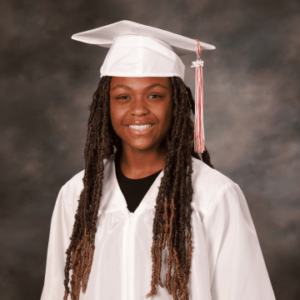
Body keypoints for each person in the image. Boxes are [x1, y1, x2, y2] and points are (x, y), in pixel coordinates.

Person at [40, 20, 276, 300]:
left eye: (154, 95)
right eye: (123, 96)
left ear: (175, 103)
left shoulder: (214, 195)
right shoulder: (77, 194)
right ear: (106, 106)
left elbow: (246, 292)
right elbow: (57, 292)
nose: (138, 109)